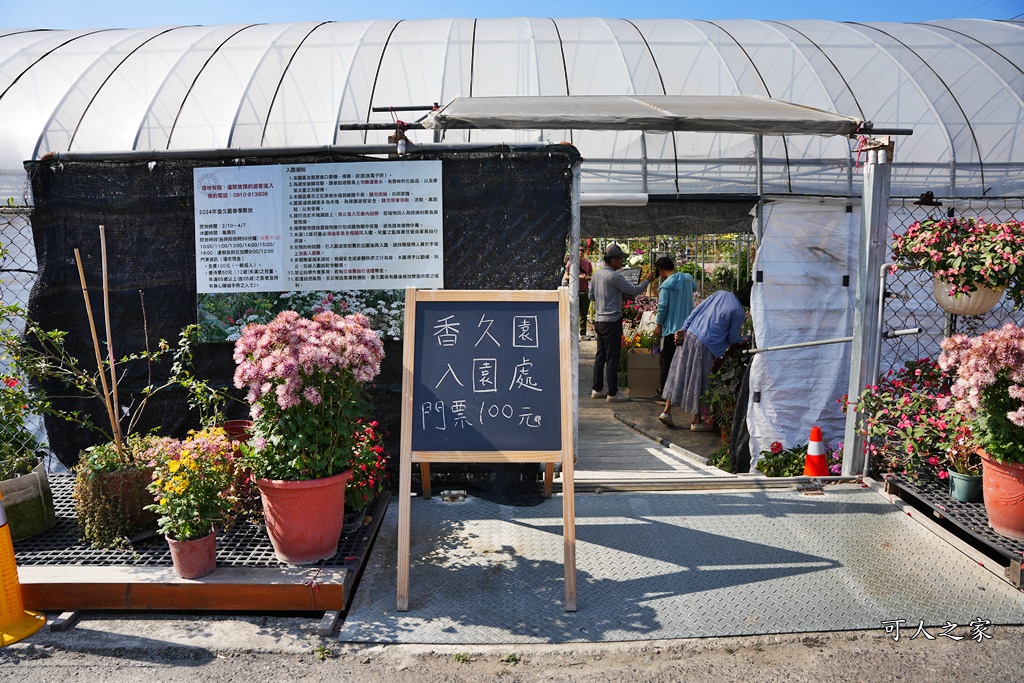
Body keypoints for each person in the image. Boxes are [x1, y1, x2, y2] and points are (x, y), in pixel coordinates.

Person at [659, 281, 752, 429]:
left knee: (679, 373)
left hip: (690, 335)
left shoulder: (720, 294)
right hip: (707, 345)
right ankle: (696, 421)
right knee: (699, 381)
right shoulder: (738, 312)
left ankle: (666, 411)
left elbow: (696, 311)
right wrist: (746, 338)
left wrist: (684, 328)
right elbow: (732, 338)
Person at [590, 243, 657, 402]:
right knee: (613, 357)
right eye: (620, 259)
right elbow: (634, 290)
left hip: (599, 320)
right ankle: (613, 393)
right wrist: (647, 280)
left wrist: (608, 297)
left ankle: (597, 388)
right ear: (613, 260)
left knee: (601, 356)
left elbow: (591, 296)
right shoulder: (615, 276)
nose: (622, 263)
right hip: (612, 321)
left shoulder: (597, 275)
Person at [652, 256, 695, 400]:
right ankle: (681, 393)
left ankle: (665, 394)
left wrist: (658, 325)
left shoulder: (666, 286)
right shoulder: (688, 279)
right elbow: (694, 287)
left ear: (660, 270)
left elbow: (662, 307)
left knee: (666, 363)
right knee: (682, 362)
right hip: (686, 329)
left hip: (670, 330)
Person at [562, 244, 594, 338]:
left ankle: (582, 333)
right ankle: (571, 333)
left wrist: (587, 277)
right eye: (579, 250)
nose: (580, 252)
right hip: (573, 291)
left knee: (583, 314)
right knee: (572, 312)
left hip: (584, 290)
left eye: (582, 250)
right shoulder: (571, 262)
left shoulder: (588, 263)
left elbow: (591, 276)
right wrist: (577, 277)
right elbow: (566, 276)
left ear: (586, 251)